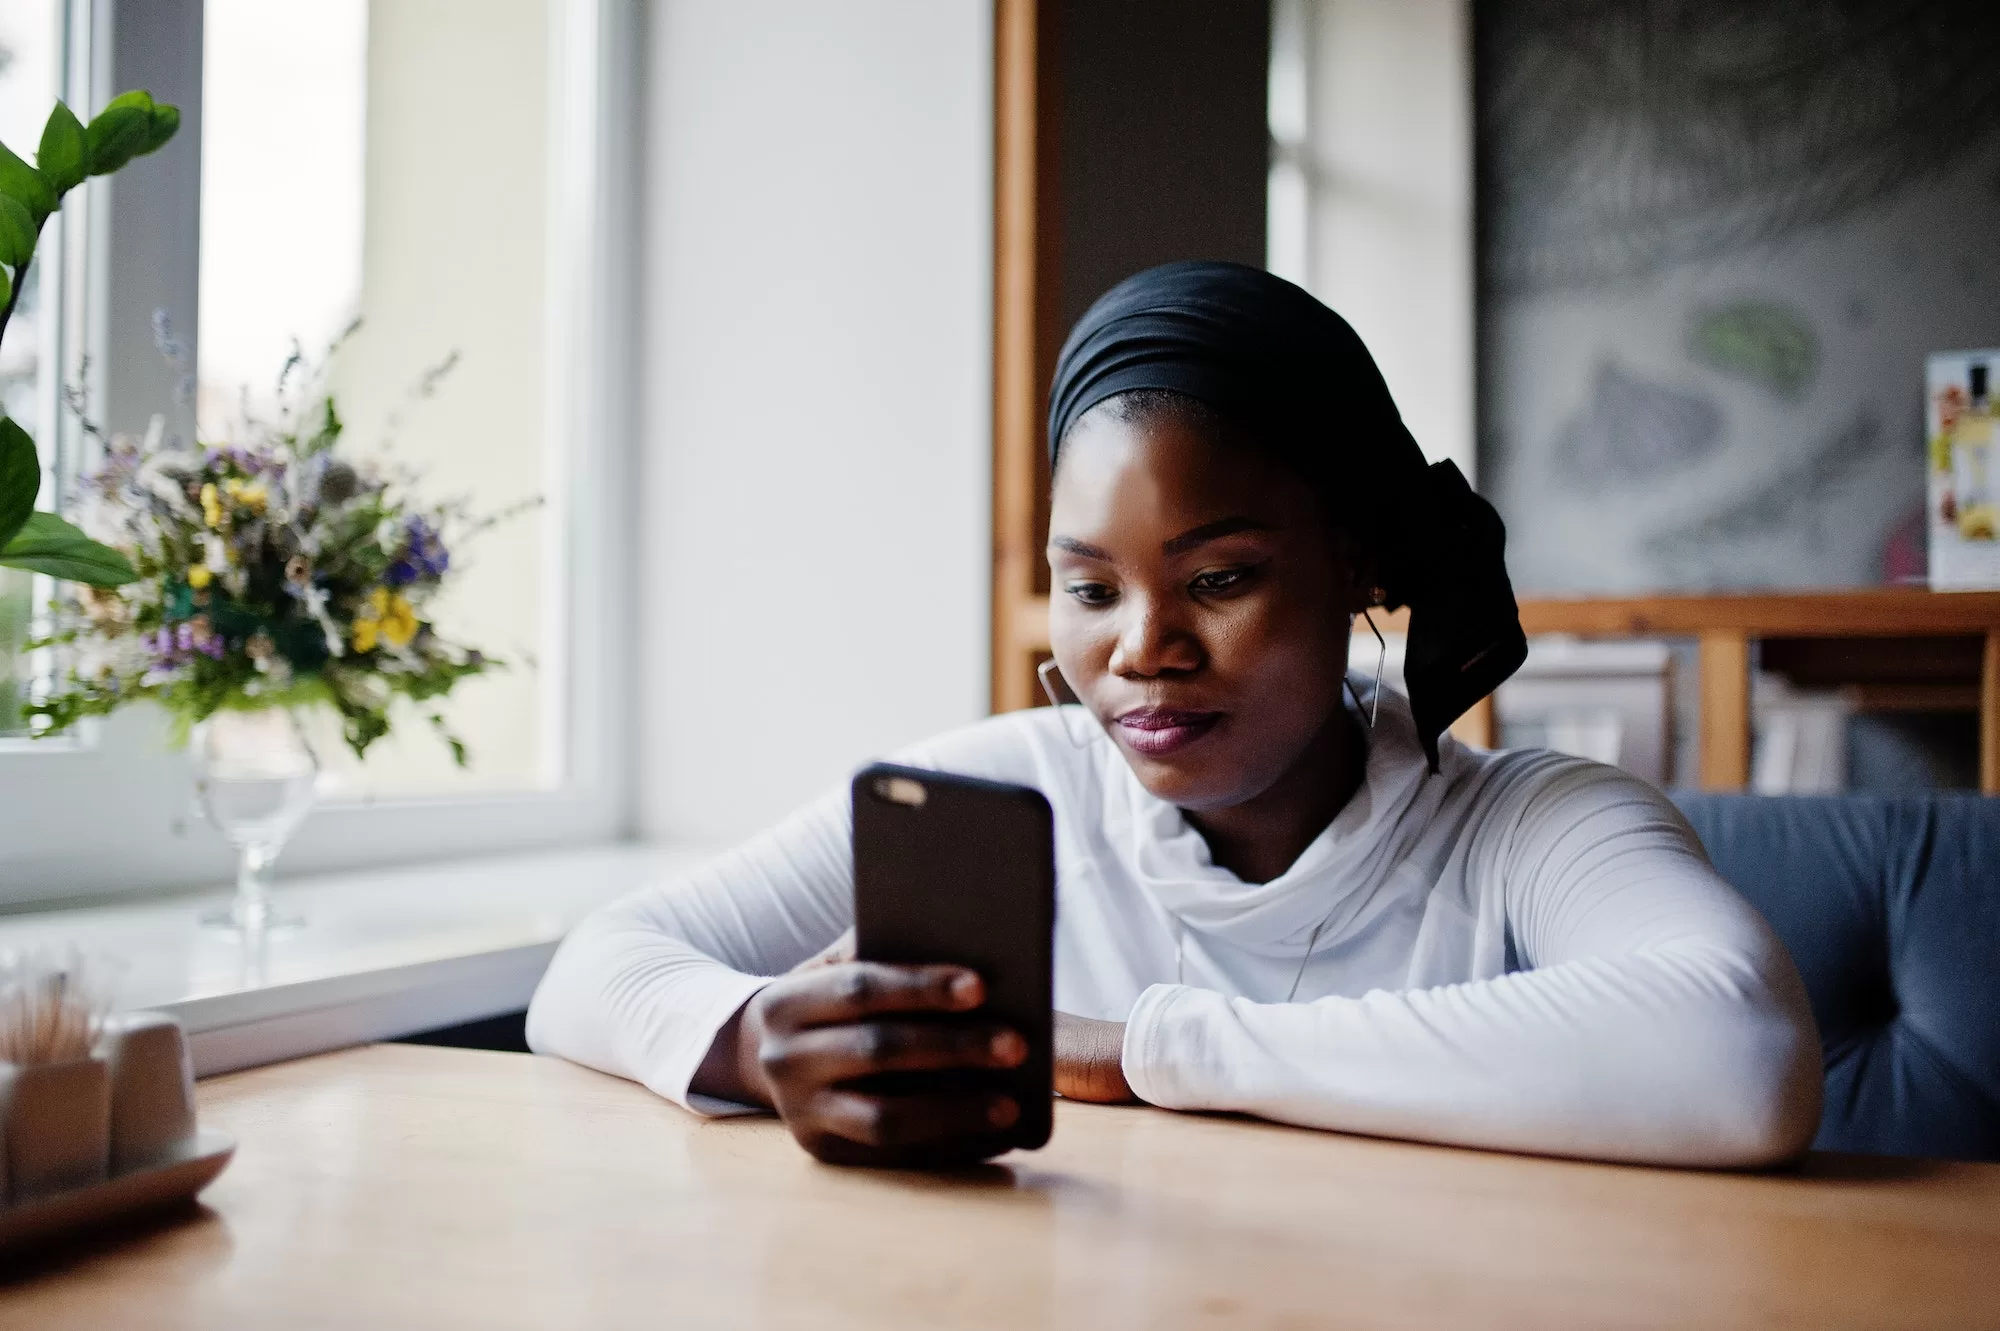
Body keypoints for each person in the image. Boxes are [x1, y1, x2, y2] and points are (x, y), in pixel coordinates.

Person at [528, 261, 1822, 1169]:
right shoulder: (1010, 792)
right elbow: (593, 968)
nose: (1142, 647)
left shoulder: (1524, 829)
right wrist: (757, 1043)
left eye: (1219, 578)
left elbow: (1740, 1052)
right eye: (1090, 586)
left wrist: (1133, 1049)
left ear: (1359, 563)